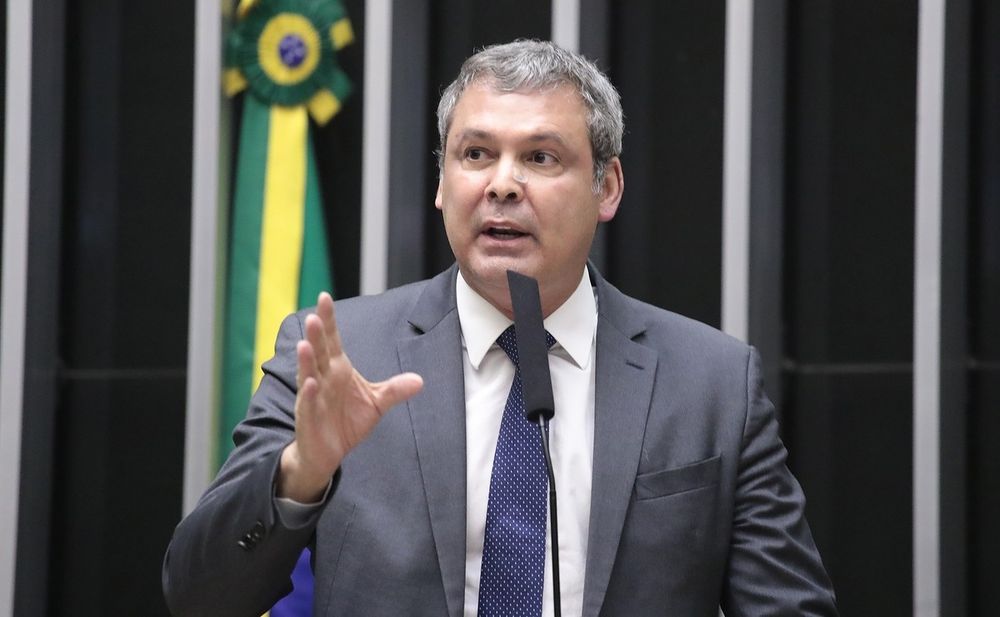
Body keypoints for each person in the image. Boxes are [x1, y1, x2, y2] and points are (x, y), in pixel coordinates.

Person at [163, 39, 837, 616]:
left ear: (607, 187)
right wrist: (300, 474)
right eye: (476, 154)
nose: (502, 185)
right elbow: (198, 596)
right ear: (442, 183)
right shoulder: (340, 355)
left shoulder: (713, 384)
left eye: (541, 158)